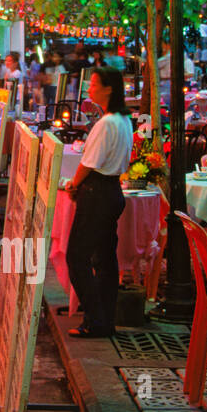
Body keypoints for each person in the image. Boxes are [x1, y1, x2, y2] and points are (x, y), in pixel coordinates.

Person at [61, 68, 133, 338]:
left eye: (93, 84)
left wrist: (73, 184)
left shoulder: (107, 123)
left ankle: (95, 318)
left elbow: (88, 163)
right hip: (112, 191)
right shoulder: (123, 120)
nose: (88, 89)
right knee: (104, 259)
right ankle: (104, 319)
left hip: (98, 192)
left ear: (108, 89)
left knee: (77, 257)